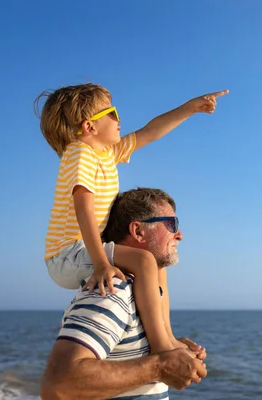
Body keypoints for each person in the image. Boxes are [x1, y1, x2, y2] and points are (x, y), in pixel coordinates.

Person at [36, 83, 228, 354]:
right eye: (112, 113)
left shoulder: (106, 154)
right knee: (143, 259)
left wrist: (189, 108)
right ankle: (162, 347)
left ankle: (167, 336)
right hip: (66, 255)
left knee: (157, 262)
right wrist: (102, 263)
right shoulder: (80, 153)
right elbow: (83, 208)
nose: (119, 119)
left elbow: (150, 132)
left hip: (82, 251)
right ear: (89, 127)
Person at [41, 188, 206, 400]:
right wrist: (159, 366)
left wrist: (175, 347)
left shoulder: (147, 292)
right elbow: (58, 384)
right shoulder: (113, 292)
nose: (180, 235)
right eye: (171, 224)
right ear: (138, 231)